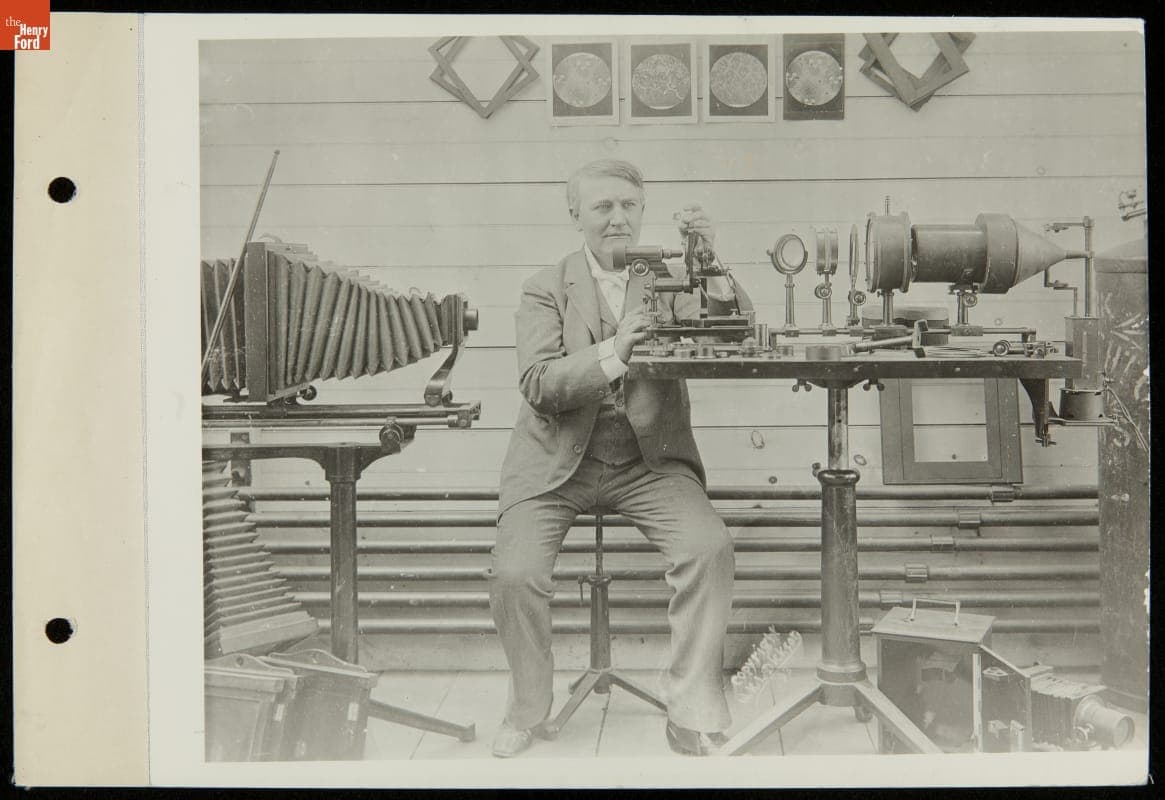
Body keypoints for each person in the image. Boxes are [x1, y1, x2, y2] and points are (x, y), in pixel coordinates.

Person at [488, 159, 749, 758]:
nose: (617, 218)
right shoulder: (544, 287)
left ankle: (691, 709)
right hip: (556, 464)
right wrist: (613, 351)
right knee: (514, 575)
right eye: (602, 206)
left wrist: (711, 263)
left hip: (647, 464)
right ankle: (527, 710)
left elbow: (735, 331)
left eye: (628, 206)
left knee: (709, 549)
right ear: (576, 214)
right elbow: (538, 382)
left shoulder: (670, 276)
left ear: (642, 211)